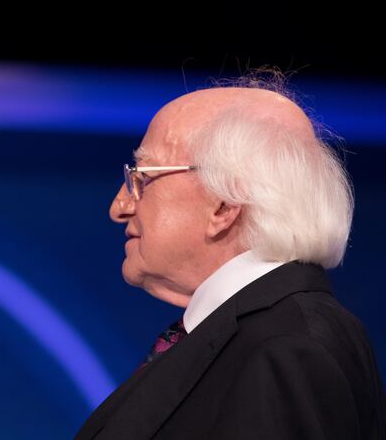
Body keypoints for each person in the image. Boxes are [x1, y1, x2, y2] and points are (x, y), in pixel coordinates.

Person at [76, 77, 385, 439]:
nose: (120, 206)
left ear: (224, 206)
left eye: (142, 177)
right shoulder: (254, 336)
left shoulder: (286, 350)